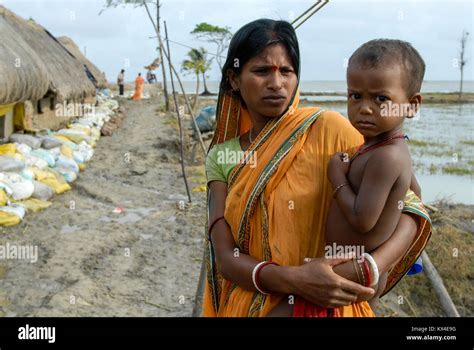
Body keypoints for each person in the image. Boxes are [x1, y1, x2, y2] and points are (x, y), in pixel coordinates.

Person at [204, 19, 432, 317]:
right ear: (234, 79)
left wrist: (369, 268)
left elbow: (412, 209)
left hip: (334, 301)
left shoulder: (330, 129)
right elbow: (226, 257)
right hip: (254, 304)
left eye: (287, 71)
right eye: (262, 71)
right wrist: (297, 280)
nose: (277, 83)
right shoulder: (222, 157)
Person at [288, 39, 431, 317]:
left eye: (381, 99)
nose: (365, 108)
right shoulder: (378, 147)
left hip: (356, 269)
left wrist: (337, 178)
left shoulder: (386, 157)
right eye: (355, 96)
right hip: (353, 264)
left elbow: (362, 220)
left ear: (412, 105)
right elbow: (416, 193)